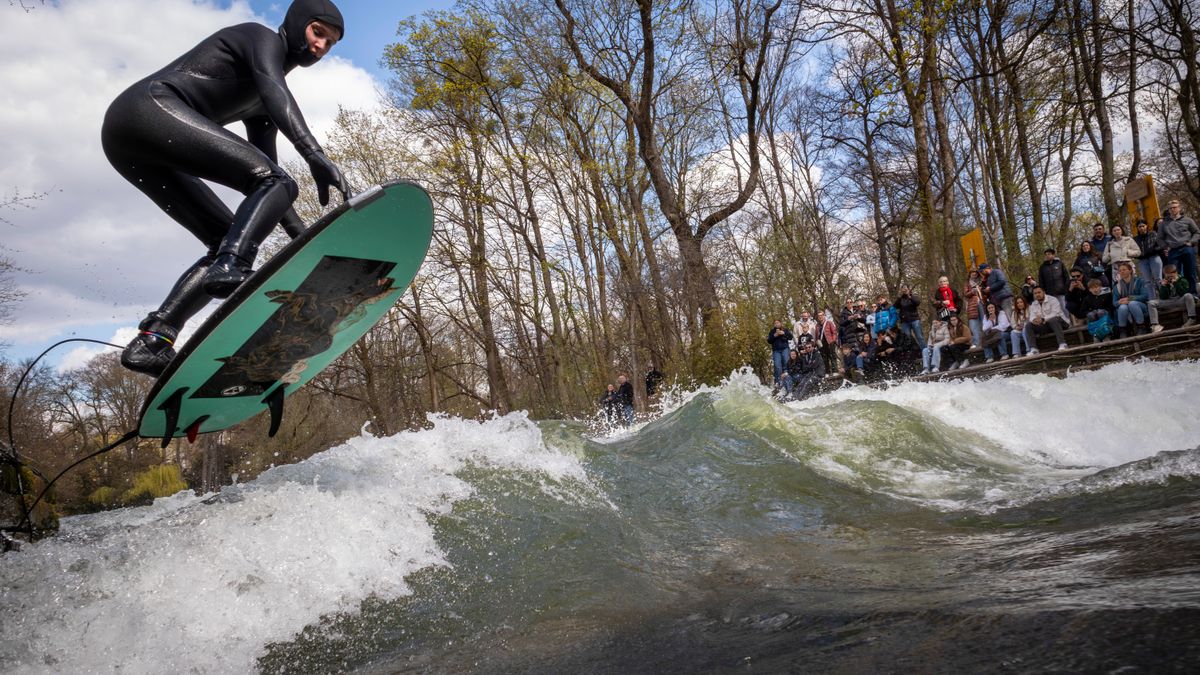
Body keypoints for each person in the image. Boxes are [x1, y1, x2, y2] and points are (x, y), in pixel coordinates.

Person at [105, 0, 351, 376]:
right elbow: (274, 90)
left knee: (232, 230)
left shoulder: (263, 101)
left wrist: (303, 238)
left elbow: (268, 172)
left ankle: (154, 339)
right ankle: (231, 267)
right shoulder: (260, 38)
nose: (320, 47)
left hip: (133, 147)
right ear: (299, 23)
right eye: (318, 32)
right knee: (265, 199)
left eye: (330, 44)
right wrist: (314, 153)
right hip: (145, 109)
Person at [1159, 200, 1200, 295]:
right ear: (1168, 210)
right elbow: (1159, 238)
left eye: (1175, 207)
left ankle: (1193, 294)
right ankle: (1180, 294)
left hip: (1187, 248)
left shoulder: (1188, 220)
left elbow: (1197, 232)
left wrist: (1191, 242)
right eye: (1170, 208)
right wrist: (1165, 247)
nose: (1173, 209)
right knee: (1173, 274)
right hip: (1173, 250)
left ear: (1179, 208)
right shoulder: (1164, 223)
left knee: (1190, 272)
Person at [1149, 264, 1197, 332]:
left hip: (1180, 300)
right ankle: (1155, 325)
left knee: (1188, 295)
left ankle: (1192, 318)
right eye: (1167, 275)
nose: (1169, 277)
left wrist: (1176, 283)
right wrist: (1164, 286)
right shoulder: (1165, 281)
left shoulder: (1183, 280)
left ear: (1176, 273)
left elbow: (1182, 293)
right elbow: (1163, 297)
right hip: (1169, 302)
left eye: (1171, 275)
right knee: (1151, 303)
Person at [1025, 287, 1070, 354]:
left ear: (1043, 292)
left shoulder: (1052, 299)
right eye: (1035, 293)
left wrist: (1043, 319)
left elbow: (1056, 313)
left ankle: (1062, 344)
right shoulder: (1033, 304)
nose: (1037, 294)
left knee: (1053, 319)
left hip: (1061, 323)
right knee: (1028, 325)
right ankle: (1034, 349)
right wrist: (1034, 320)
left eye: (1039, 292)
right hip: (1047, 325)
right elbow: (1031, 316)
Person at [1112, 261, 1150, 337]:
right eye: (1120, 270)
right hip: (1125, 308)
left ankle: (1141, 327)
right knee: (1122, 307)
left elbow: (1145, 296)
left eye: (1124, 269)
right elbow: (1114, 303)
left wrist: (1130, 299)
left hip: (1141, 306)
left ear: (1130, 270)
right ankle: (1123, 330)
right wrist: (1119, 302)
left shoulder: (1139, 281)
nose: (1122, 272)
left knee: (1132, 303)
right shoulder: (1117, 286)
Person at [1133, 218, 1165, 288]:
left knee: (1158, 279)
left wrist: (1153, 250)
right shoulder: (1135, 239)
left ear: (1146, 226)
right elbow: (1133, 251)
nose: (1141, 228)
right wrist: (1138, 255)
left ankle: (1163, 296)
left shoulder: (1153, 234)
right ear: (1137, 228)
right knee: (1147, 281)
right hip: (1142, 260)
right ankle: (1152, 298)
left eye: (1143, 226)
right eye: (1139, 226)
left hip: (1154, 257)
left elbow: (1160, 245)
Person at [1080, 278, 1115, 342]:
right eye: (1092, 288)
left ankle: (1106, 334)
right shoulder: (1087, 298)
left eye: (1096, 287)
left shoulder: (1106, 295)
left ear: (1101, 287)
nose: (1095, 289)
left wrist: (1104, 310)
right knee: (1091, 315)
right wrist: (1090, 312)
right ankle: (1096, 335)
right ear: (1089, 289)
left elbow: (1111, 306)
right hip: (1094, 316)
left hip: (1105, 315)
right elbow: (1083, 310)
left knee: (1100, 312)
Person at [1038, 248, 1070, 313]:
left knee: (1064, 308)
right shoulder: (1042, 267)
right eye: (1046, 255)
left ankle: (1068, 322)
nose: (1047, 256)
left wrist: (1066, 288)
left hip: (1061, 291)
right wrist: (1043, 291)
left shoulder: (1060, 264)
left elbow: (1066, 277)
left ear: (1053, 255)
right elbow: (1041, 280)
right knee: (1053, 310)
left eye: (1049, 254)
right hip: (1049, 293)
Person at [766, 319, 793, 387]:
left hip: (785, 349)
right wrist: (774, 335)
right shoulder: (772, 331)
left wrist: (784, 333)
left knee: (786, 363)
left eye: (778, 323)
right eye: (775, 323)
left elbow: (790, 337)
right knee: (777, 366)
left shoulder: (785, 329)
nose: (776, 324)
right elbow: (769, 340)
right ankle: (778, 382)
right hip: (776, 351)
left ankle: (788, 380)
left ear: (780, 323)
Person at [963, 271, 985, 347]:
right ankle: (976, 343)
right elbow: (965, 294)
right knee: (974, 325)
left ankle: (986, 341)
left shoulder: (982, 281)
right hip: (972, 305)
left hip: (983, 303)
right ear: (969, 274)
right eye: (972, 273)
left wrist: (982, 290)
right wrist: (973, 291)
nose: (974, 274)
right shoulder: (967, 283)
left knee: (985, 322)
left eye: (975, 272)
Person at [819, 308, 841, 374]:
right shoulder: (817, 325)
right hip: (822, 344)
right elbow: (817, 335)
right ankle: (827, 372)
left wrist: (833, 340)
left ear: (824, 316)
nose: (820, 317)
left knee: (832, 357)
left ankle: (835, 371)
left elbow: (834, 332)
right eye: (819, 316)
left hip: (830, 342)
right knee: (825, 358)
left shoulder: (829, 323)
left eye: (821, 315)